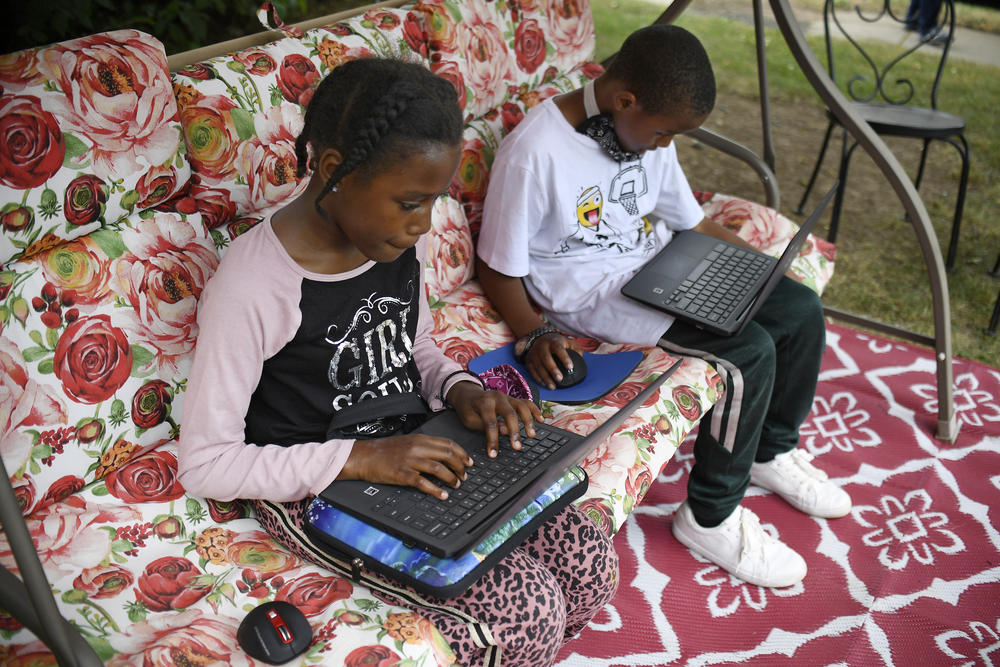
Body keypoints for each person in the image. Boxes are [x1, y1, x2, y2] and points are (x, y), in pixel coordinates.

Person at [178, 57, 618, 666]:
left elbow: (415, 350)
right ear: (334, 171)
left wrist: (462, 391)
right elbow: (205, 463)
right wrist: (364, 458)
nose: (424, 224)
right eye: (412, 202)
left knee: (587, 559)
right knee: (528, 610)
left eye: (434, 201)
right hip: (318, 486)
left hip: (414, 446)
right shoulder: (255, 285)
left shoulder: (385, 237)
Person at [476, 25, 852, 589]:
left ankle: (770, 453)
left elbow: (692, 221)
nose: (664, 145)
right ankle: (710, 517)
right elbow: (498, 266)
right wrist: (532, 333)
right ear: (625, 99)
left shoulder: (646, 132)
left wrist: (765, 268)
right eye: (663, 134)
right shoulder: (535, 152)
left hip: (665, 264)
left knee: (796, 308)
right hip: (599, 295)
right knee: (746, 350)